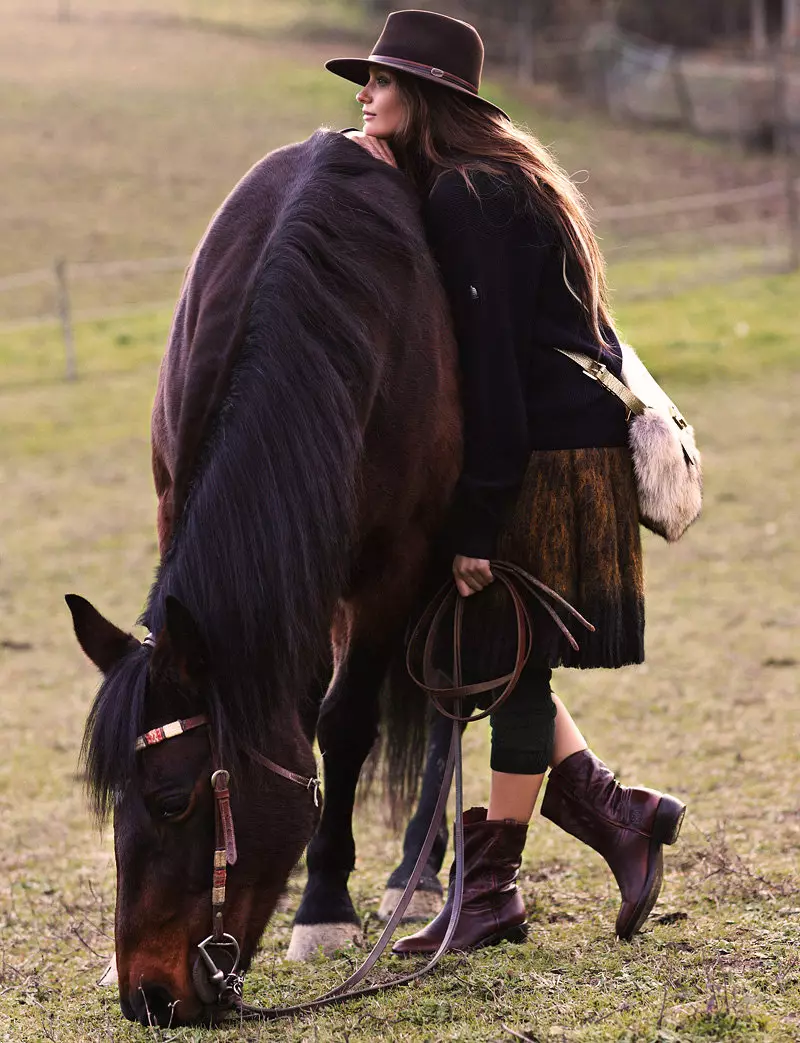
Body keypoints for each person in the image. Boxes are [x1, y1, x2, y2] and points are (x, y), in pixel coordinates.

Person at [325, 10, 686, 954]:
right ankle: (612, 817)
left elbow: (489, 372)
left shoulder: (469, 197)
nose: (364, 96)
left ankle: (497, 890)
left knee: (509, 658)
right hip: (573, 441)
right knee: (506, 654)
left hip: (548, 457)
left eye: (382, 82)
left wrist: (477, 519)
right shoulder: (504, 180)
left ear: (427, 97)